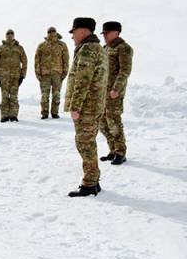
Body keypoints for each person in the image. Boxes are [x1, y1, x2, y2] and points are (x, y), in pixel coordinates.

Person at [65, 17, 108, 198]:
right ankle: (93, 180)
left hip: (86, 107)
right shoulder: (97, 48)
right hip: (94, 105)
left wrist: (75, 106)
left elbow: (83, 80)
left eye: (74, 32)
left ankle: (90, 183)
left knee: (84, 143)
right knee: (88, 142)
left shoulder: (88, 50)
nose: (72, 36)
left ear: (82, 31)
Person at [99, 21, 133, 165]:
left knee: (113, 121)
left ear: (116, 32)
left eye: (107, 33)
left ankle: (120, 152)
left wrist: (116, 89)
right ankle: (112, 149)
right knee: (102, 122)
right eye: (104, 33)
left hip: (114, 93)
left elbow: (124, 71)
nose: (104, 36)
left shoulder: (124, 48)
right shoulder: (105, 48)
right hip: (101, 92)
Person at [34, 26, 70, 119]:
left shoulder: (62, 45)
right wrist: (38, 73)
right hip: (45, 74)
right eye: (49, 31)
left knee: (56, 94)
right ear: (47, 33)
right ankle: (44, 113)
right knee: (44, 94)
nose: (51, 33)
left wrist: (64, 73)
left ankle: (55, 112)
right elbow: (37, 60)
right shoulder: (42, 45)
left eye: (53, 31)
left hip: (57, 73)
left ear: (56, 32)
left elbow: (66, 60)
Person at [0, 29, 27, 122]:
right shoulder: (0, 48)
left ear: (14, 35)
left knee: (14, 96)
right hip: (3, 77)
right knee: (4, 96)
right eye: (8, 33)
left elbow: (24, 62)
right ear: (5, 35)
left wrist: (22, 76)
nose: (10, 35)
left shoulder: (19, 48)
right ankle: (4, 115)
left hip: (16, 76)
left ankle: (13, 115)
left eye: (12, 33)